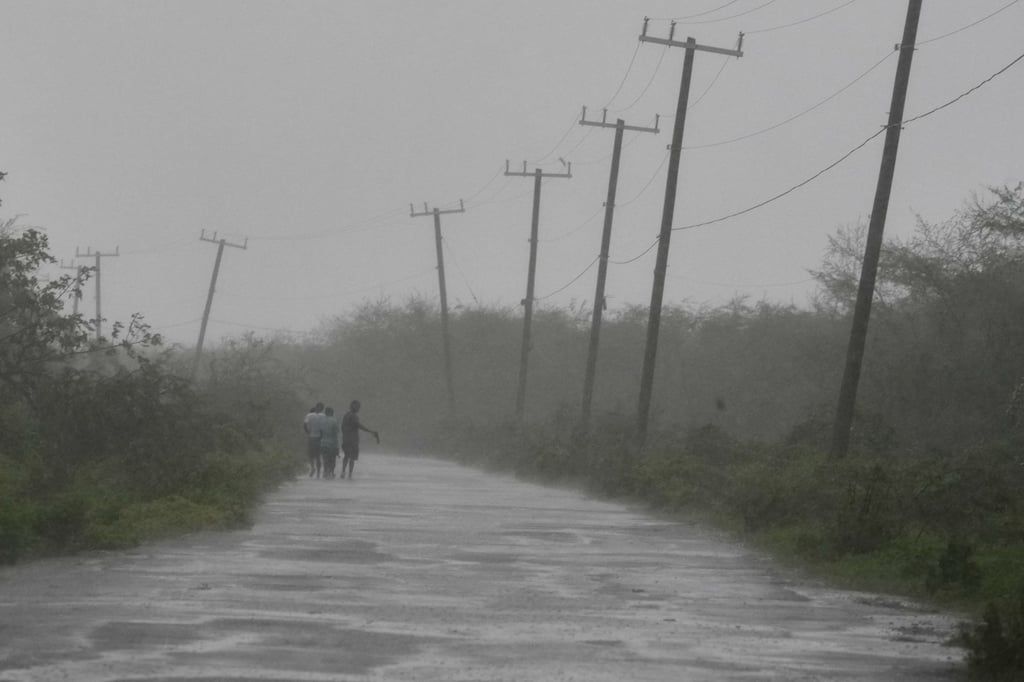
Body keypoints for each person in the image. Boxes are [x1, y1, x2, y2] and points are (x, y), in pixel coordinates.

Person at [340, 400, 379, 480]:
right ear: (353, 406)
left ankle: (343, 472)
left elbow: (342, 427)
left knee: (346, 456)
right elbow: (358, 425)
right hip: (353, 440)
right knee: (352, 458)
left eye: (358, 407)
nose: (358, 408)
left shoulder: (346, 415)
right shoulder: (354, 416)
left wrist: (345, 436)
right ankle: (349, 475)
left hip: (346, 439)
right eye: (357, 406)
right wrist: (370, 431)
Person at [303, 402, 324, 478]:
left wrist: (308, 432)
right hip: (319, 438)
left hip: (311, 437)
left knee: (310, 455)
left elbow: (305, 425)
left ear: (316, 407)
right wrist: (322, 434)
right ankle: (318, 474)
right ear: (322, 408)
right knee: (318, 456)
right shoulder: (323, 416)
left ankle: (313, 468)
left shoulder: (309, 415)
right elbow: (324, 427)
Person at [319, 406, 340, 479]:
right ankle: (331, 472)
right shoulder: (334, 421)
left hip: (323, 443)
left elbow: (320, 432)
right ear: (332, 413)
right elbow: (335, 434)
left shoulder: (321, 420)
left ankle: (325, 472)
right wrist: (337, 446)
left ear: (325, 412)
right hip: (332, 444)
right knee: (332, 459)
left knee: (325, 459)